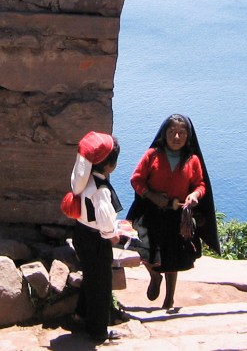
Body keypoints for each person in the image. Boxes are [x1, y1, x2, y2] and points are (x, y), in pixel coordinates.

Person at [127, 114, 220, 311]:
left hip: (176, 216)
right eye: (171, 132)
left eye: (181, 133)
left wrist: (195, 195)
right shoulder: (152, 155)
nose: (176, 137)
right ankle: (154, 275)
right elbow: (136, 179)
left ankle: (169, 299)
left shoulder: (192, 160)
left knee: (172, 257)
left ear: (188, 136)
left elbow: (200, 184)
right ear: (164, 134)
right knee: (143, 249)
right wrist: (151, 195)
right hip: (151, 214)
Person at [68, 131, 124, 344]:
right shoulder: (101, 189)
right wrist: (113, 236)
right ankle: (98, 330)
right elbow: (104, 218)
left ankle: (80, 314)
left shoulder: (84, 180)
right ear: (110, 165)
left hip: (81, 234)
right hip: (96, 240)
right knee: (101, 285)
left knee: (91, 278)